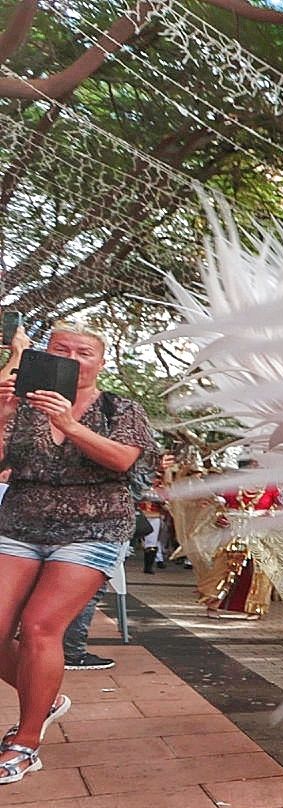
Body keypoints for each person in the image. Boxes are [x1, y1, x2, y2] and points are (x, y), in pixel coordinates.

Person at [0, 322, 155, 783]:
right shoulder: (22, 405)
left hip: (93, 527)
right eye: (59, 348)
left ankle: (26, 742)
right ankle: (43, 701)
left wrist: (68, 424)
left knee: (40, 627)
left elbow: (123, 460)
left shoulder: (118, 407)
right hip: (21, 523)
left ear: (100, 362)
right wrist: (4, 412)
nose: (70, 357)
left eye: (83, 352)